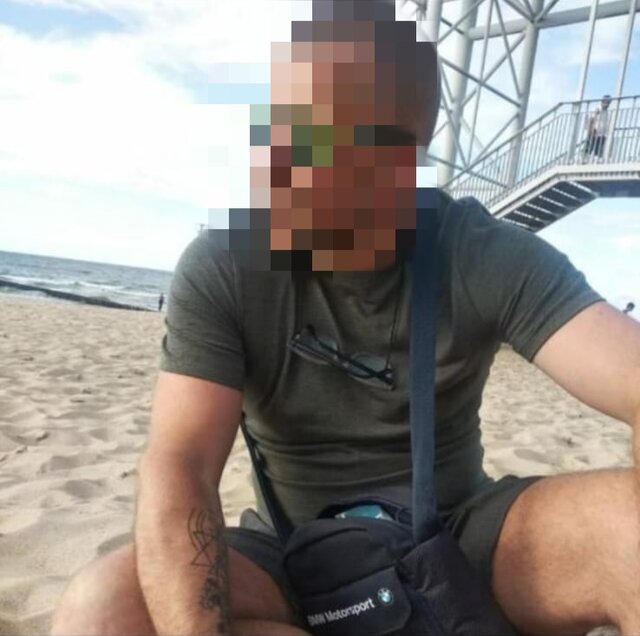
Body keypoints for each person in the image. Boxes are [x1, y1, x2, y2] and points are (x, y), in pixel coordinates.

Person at [50, 3, 640, 636]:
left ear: (411, 156)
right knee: (103, 610)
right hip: (289, 558)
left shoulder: (480, 252)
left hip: (462, 544)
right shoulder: (227, 264)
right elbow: (182, 464)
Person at [585, 94, 612, 160]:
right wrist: (590, 131)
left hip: (602, 135)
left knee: (598, 153)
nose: (607, 104)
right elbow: (590, 120)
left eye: (609, 103)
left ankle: (594, 161)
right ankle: (584, 160)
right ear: (602, 101)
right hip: (594, 133)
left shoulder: (607, 112)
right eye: (606, 102)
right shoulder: (596, 109)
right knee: (588, 150)